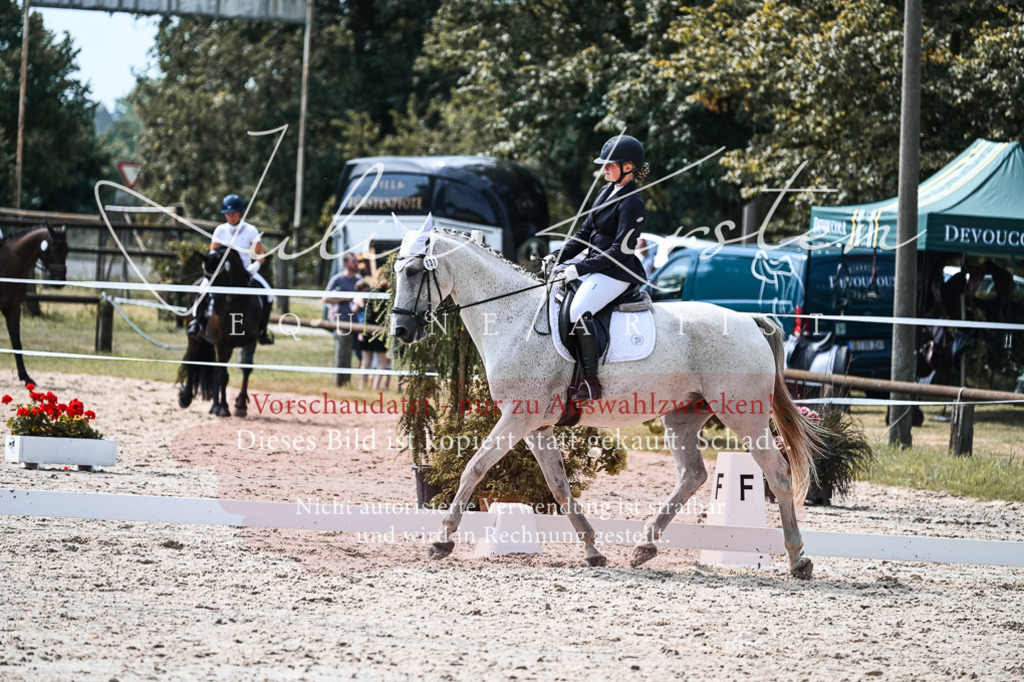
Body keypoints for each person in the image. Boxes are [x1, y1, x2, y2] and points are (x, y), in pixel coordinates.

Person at [544, 134, 650, 402]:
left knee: (579, 309)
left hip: (617, 271)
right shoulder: (606, 191)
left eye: (610, 164)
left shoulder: (633, 202)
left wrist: (579, 268)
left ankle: (591, 382)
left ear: (628, 167)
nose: (605, 169)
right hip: (597, 267)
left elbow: (619, 251)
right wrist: (557, 256)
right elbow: (584, 234)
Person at [187, 194, 275, 344]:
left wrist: (256, 265)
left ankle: (262, 330)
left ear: (240, 213)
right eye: (227, 214)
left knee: (269, 293)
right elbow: (213, 252)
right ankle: (197, 322)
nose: (230, 217)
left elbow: (260, 254)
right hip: (222, 273)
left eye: (233, 213)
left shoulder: (250, 230)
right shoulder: (220, 230)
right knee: (202, 289)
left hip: (246, 271)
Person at [323, 252, 364, 386]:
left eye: (357, 261)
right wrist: (345, 298)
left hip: (358, 323)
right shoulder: (338, 279)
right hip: (342, 321)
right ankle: (340, 382)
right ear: (346, 263)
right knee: (342, 353)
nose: (356, 264)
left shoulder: (360, 280)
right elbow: (325, 298)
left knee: (360, 353)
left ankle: (358, 382)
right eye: (353, 261)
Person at [355, 276, 391, 391]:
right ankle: (374, 388)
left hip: (368, 330)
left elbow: (362, 312)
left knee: (366, 361)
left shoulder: (369, 292)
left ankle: (362, 386)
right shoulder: (391, 295)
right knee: (381, 363)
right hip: (381, 332)